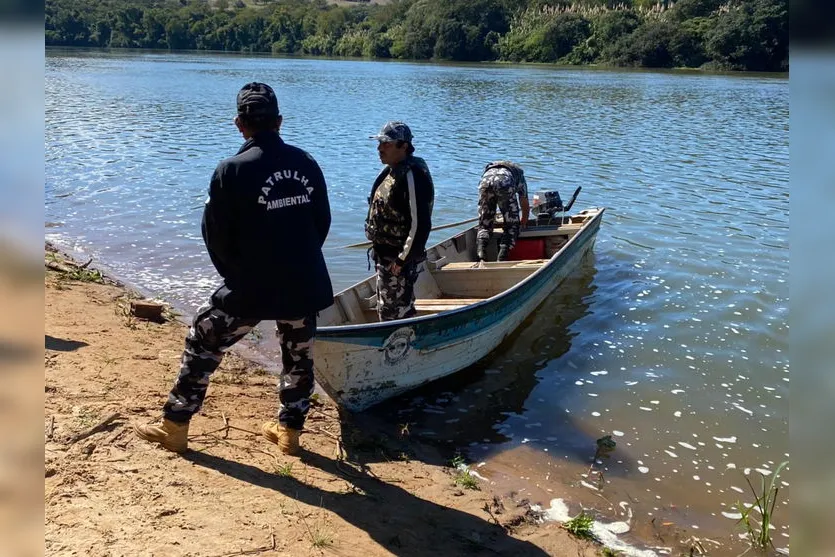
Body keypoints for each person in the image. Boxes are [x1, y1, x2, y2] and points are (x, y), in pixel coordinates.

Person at [134, 82, 333, 456]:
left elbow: (215, 236)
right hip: (304, 281)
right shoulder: (306, 162)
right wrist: (298, 260)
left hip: (253, 286)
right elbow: (321, 222)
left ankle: (175, 426)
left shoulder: (232, 170)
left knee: (203, 339)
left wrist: (237, 277)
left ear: (240, 124)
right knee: (299, 354)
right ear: (279, 121)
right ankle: (289, 433)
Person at [365, 121, 434, 321]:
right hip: (384, 256)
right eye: (379, 143)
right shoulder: (391, 171)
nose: (379, 149)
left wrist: (402, 260)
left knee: (395, 313)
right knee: (390, 310)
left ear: (403, 146)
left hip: (398, 260)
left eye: (386, 144)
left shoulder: (412, 176)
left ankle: (402, 348)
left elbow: (420, 224)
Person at [475, 160, 530, 262]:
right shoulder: (519, 175)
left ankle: (481, 254)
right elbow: (524, 202)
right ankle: (502, 258)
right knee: (511, 226)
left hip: (485, 181)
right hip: (505, 181)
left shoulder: (490, 169)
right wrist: (522, 222)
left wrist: (490, 217)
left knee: (484, 225)